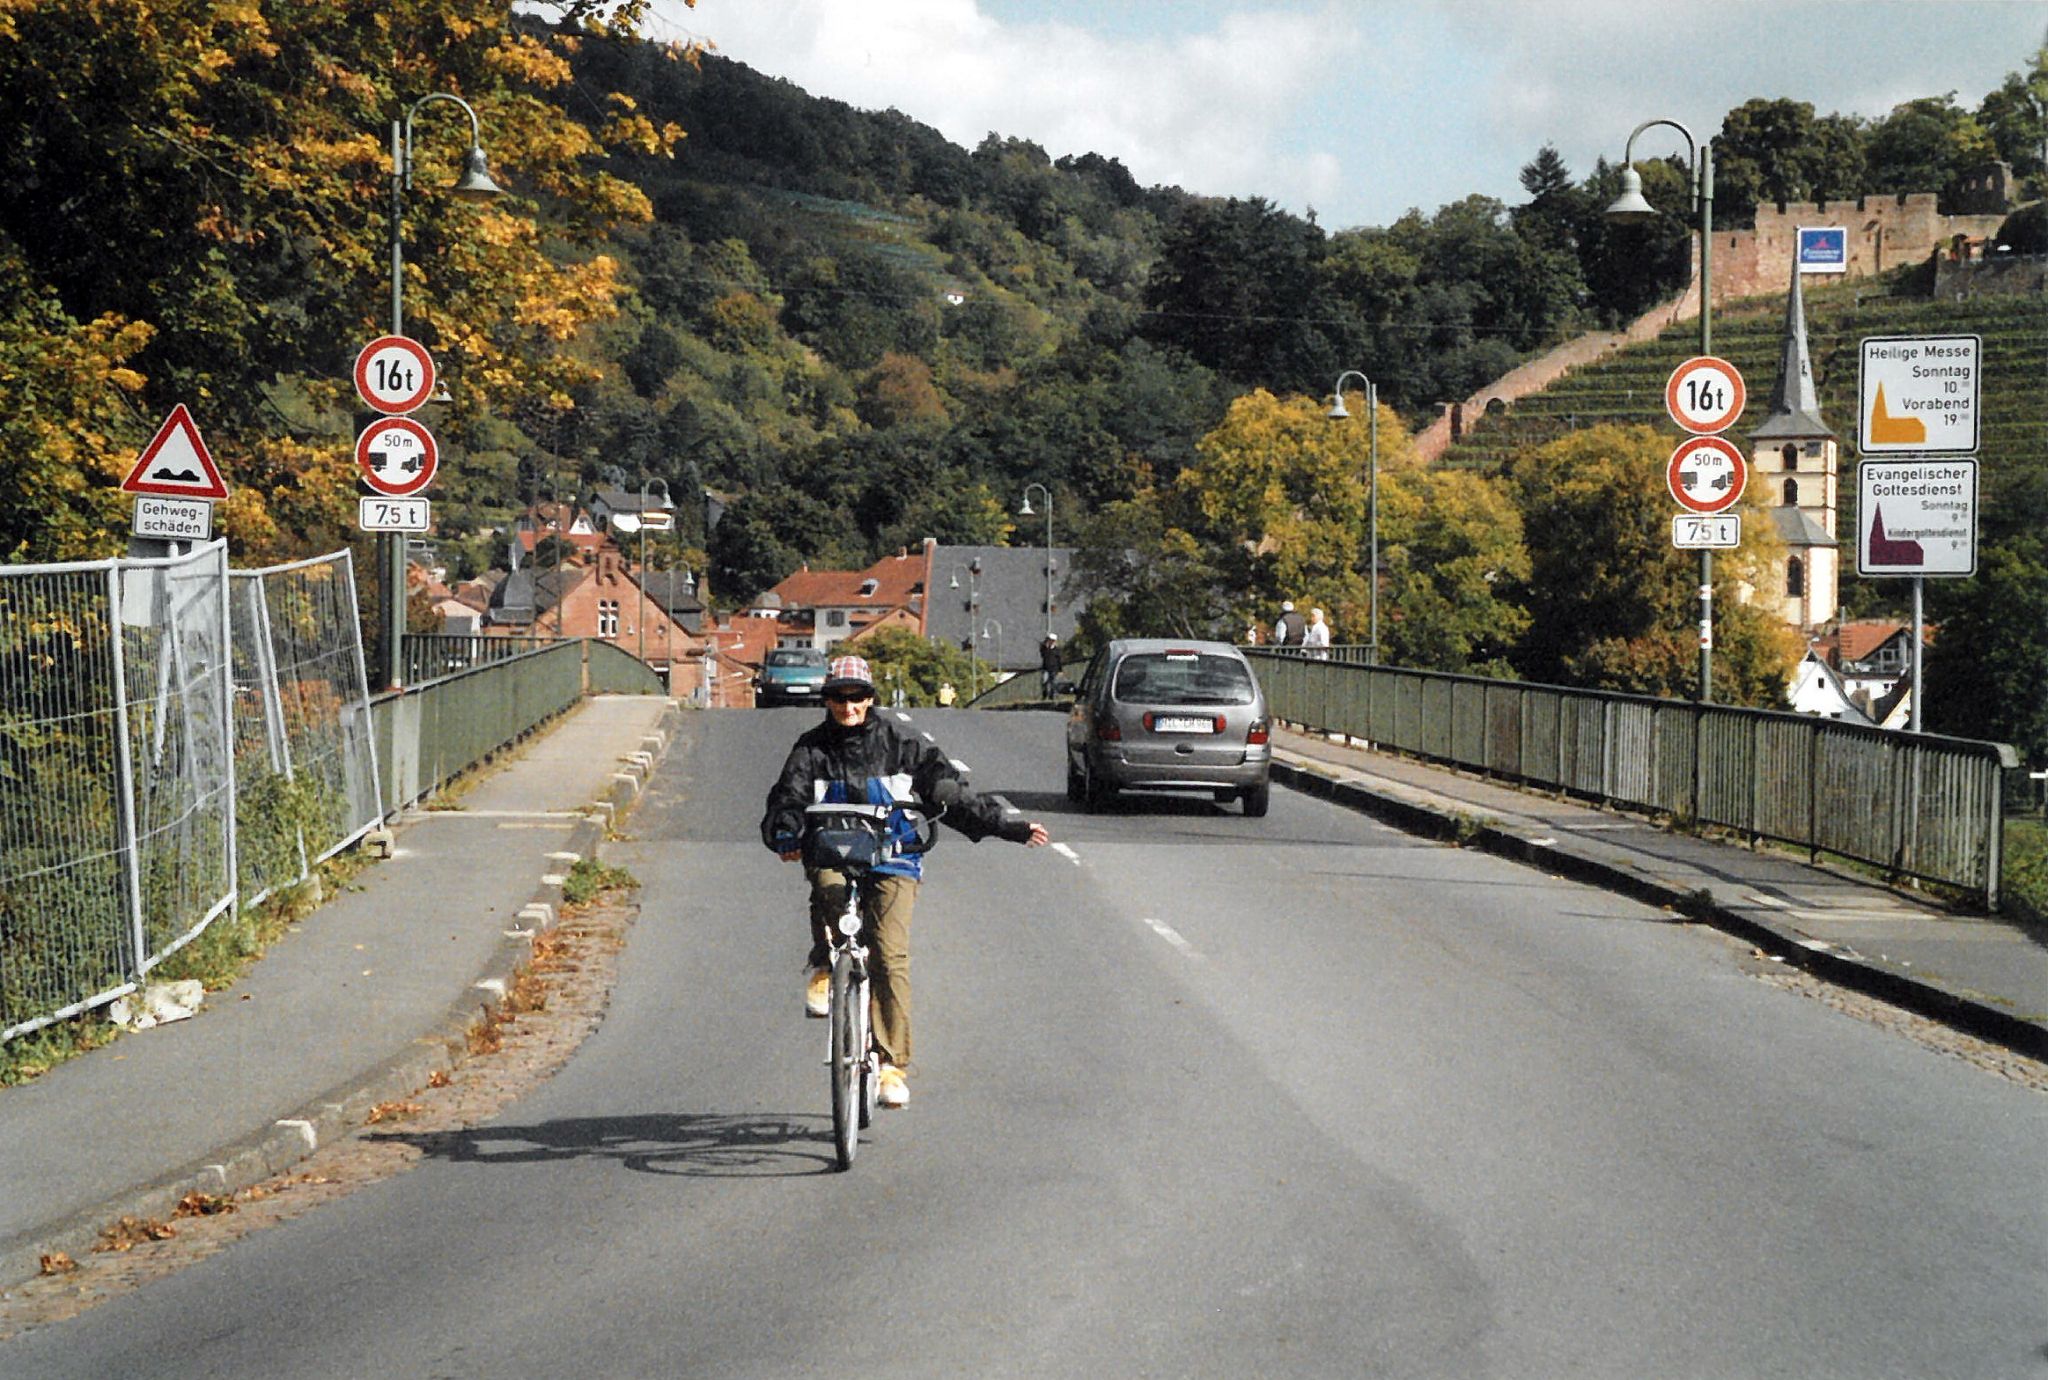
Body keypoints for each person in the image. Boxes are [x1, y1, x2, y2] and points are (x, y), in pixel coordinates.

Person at [761, 655, 1049, 1110]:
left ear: (870, 698)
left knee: (889, 956)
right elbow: (788, 797)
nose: (848, 705)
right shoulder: (811, 748)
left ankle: (892, 1066)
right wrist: (784, 831)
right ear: (827, 700)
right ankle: (823, 966)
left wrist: (1006, 826)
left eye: (856, 697)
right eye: (838, 697)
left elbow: (949, 793)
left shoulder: (900, 742)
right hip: (833, 847)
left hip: (894, 855)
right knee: (829, 892)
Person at [1039, 633, 1061, 698]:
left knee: (1053, 683)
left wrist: (1060, 670)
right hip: (1045, 668)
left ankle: (1052, 695)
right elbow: (1042, 654)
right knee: (1044, 682)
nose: (1050, 641)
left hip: (1054, 669)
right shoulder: (1045, 649)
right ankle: (1044, 694)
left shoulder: (1056, 650)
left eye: (1052, 640)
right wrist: (1045, 646)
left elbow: (1059, 660)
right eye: (1049, 640)